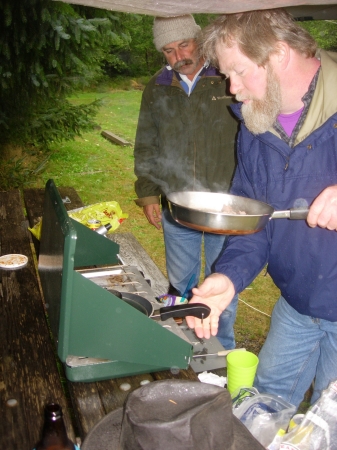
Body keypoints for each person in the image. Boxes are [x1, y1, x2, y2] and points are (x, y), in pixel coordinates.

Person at [186, 9, 337, 408]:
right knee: (263, 404)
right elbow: (254, 223)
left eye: (238, 71)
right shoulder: (256, 125)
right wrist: (228, 277)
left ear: (280, 54)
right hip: (299, 303)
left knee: (330, 421)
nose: (232, 89)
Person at [133, 15, 239, 349]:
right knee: (181, 286)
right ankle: (186, 348)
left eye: (184, 44)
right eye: (169, 50)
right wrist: (149, 194)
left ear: (199, 39)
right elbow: (146, 142)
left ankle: (219, 350)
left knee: (223, 284)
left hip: (228, 206)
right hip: (177, 205)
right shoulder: (158, 86)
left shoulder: (228, 77)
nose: (179, 55)